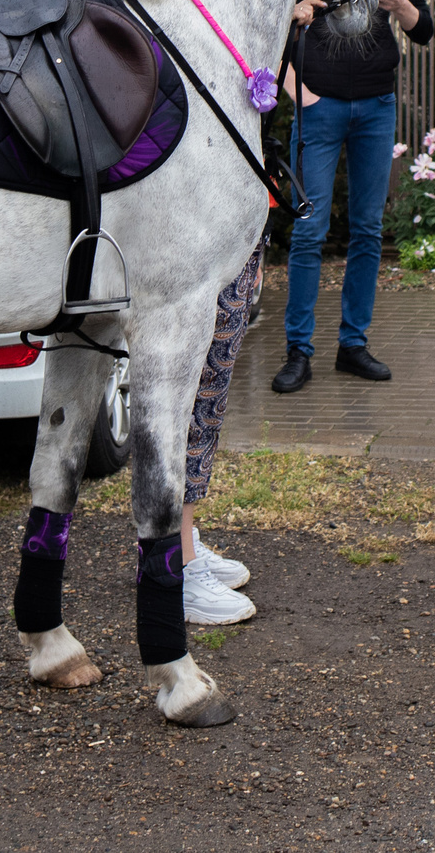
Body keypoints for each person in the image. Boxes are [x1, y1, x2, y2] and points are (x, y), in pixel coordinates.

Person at [272, 0, 435, 393]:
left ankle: (353, 346)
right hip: (319, 112)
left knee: (367, 230)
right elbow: (265, 31)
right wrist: (299, 85)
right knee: (308, 232)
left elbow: (424, 30)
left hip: (375, 109)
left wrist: (402, 7)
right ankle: (298, 352)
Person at [178, 244, 262, 624]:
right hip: (202, 220)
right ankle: (175, 561)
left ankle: (180, 540)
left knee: (210, 390)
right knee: (193, 392)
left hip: (242, 214)